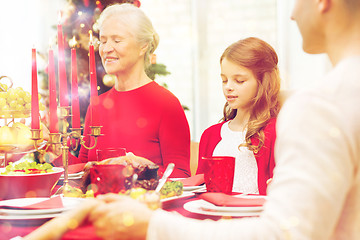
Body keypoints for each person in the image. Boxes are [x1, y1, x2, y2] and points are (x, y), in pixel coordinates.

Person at [21, 0, 360, 239]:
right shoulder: (330, 99)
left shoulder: (320, 107)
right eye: (103, 40)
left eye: (116, 40)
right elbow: (77, 169)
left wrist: (150, 212)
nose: (291, 15)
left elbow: (283, 230)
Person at [78, 3, 191, 177]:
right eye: (103, 40)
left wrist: (145, 167)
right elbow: (82, 169)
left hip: (144, 204)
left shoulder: (166, 104)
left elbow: (181, 175)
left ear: (143, 46)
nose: (106, 48)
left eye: (117, 40)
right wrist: (51, 148)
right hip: (100, 203)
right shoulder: (97, 105)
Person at [196, 37, 280, 195]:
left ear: (263, 82)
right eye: (224, 80)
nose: (228, 87)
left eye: (239, 81)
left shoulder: (275, 132)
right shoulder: (210, 135)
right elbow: (199, 190)